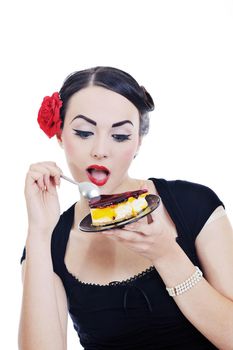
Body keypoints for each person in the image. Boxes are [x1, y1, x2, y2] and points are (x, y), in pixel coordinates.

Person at [18, 66, 233, 350]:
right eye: (84, 132)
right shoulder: (51, 242)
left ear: (138, 143)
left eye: (119, 136)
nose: (100, 149)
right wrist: (38, 231)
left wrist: (166, 255)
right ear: (59, 136)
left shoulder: (193, 204)